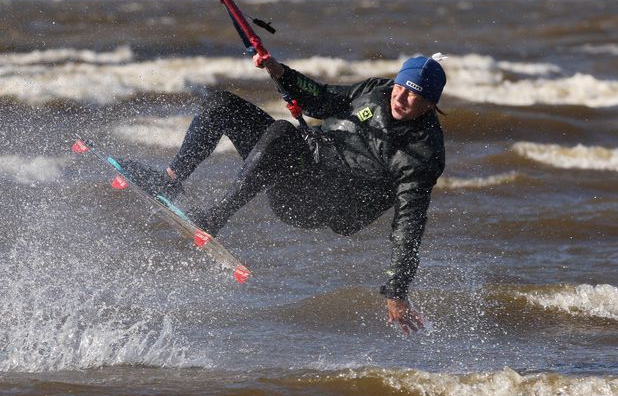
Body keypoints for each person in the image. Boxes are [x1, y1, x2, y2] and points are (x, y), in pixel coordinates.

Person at [123, 53, 447, 334]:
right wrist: (280, 72)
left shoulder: (421, 154)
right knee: (221, 104)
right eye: (401, 87)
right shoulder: (378, 90)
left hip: (317, 204)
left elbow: (409, 225)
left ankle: (214, 217)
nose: (400, 98)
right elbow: (322, 98)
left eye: (413, 95)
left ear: (431, 103)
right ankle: (171, 178)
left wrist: (397, 291)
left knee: (281, 133)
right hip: (297, 162)